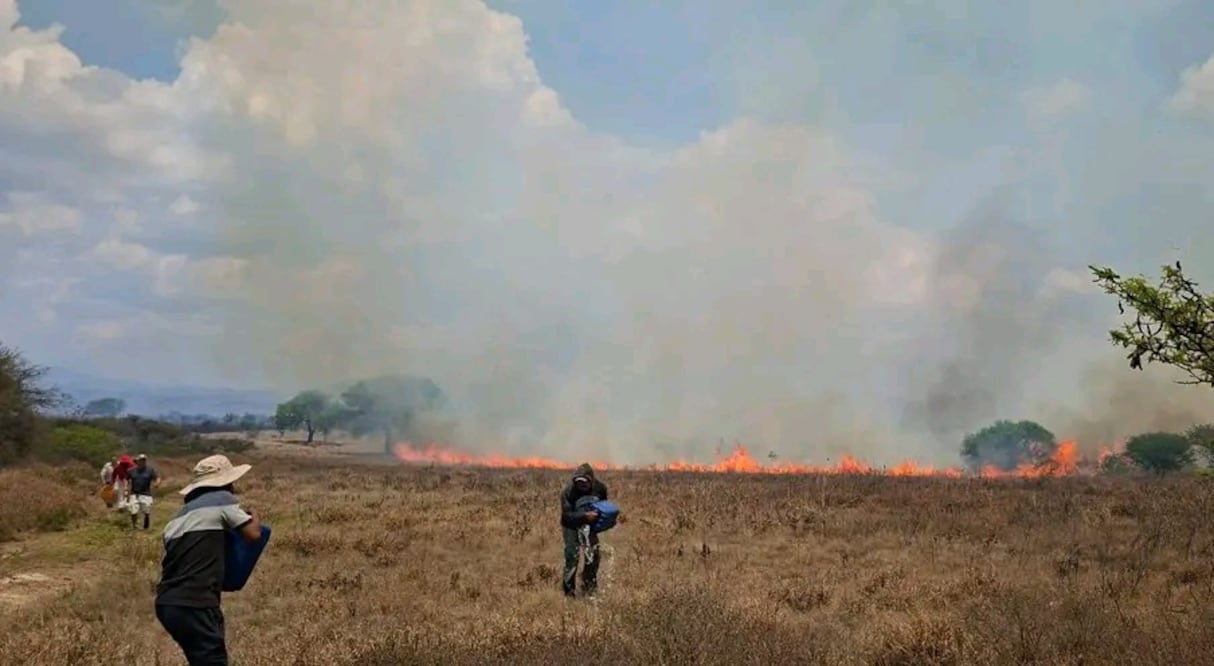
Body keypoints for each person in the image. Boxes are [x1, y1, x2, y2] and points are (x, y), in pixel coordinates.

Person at [156, 454, 262, 666]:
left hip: (168, 603)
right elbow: (253, 534)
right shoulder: (222, 499)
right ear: (226, 483)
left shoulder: (175, 520)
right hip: (196, 602)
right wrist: (255, 515)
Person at [560, 463, 608, 599]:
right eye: (578, 482)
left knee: (593, 556)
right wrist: (584, 516)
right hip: (571, 526)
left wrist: (604, 520)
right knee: (572, 557)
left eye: (584, 482)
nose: (581, 485)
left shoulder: (600, 488)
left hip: (590, 525)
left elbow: (603, 506)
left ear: (591, 480)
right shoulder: (568, 492)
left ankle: (589, 589)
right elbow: (566, 516)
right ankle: (569, 594)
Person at [127, 454, 161, 529]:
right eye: (141, 460)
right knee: (133, 510)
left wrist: (157, 483)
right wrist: (126, 488)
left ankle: (146, 525)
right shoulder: (132, 470)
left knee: (146, 510)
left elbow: (157, 477)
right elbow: (126, 479)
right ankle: (134, 526)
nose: (143, 462)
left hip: (146, 493)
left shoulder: (150, 470)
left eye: (144, 460)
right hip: (134, 493)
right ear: (137, 462)